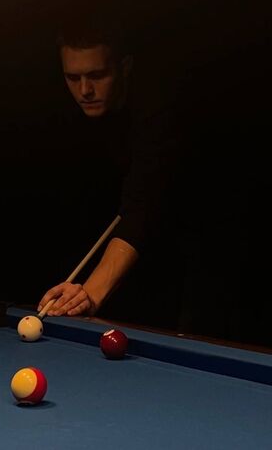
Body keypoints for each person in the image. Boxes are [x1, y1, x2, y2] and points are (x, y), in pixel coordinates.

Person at [37, 17, 248, 341]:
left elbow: (141, 207)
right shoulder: (75, 117)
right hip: (147, 251)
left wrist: (89, 293)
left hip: (216, 238)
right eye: (73, 77)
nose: (85, 90)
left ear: (125, 67)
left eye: (97, 75)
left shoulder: (158, 110)